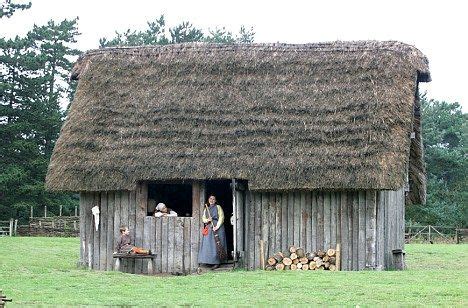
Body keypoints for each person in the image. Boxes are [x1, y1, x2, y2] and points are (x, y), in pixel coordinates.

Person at [198, 195, 228, 269]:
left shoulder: (218, 207)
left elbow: (221, 217)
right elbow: (203, 218)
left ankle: (217, 262)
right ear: (208, 200)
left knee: (217, 244)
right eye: (210, 198)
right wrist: (207, 220)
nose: (212, 200)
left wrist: (217, 226)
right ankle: (209, 261)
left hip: (217, 228)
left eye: (213, 199)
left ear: (215, 200)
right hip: (209, 227)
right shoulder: (206, 209)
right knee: (208, 244)